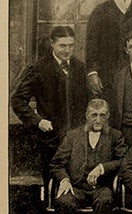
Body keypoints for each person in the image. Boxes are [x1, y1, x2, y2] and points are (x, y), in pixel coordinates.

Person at [50, 99, 127, 214]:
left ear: (108, 116)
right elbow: (56, 164)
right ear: (86, 115)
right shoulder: (72, 136)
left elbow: (125, 161)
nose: (98, 120)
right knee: (64, 201)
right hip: (76, 187)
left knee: (106, 200)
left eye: (102, 115)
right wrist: (64, 180)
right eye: (94, 115)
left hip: (101, 188)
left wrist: (102, 168)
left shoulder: (115, 136)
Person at [12, 26, 89, 180]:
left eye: (70, 45)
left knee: (76, 181)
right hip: (51, 139)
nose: (67, 50)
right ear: (52, 43)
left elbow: (86, 101)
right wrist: (38, 121)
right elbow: (18, 100)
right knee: (53, 182)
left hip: (77, 138)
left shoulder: (80, 67)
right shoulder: (39, 68)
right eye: (62, 45)